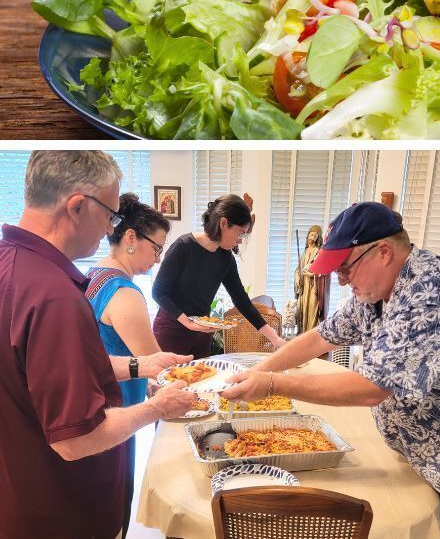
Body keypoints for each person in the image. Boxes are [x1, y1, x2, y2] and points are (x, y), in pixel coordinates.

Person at [221, 202, 440, 539]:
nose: (341, 279)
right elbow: (320, 337)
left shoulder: (432, 286)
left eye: (346, 267)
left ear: (383, 252)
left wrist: (274, 384)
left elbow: (372, 388)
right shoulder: (374, 292)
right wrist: (258, 372)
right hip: (414, 457)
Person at [0, 151, 196, 538]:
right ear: (76, 207)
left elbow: (42, 372)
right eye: (109, 214)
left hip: (20, 498)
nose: (109, 226)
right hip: (65, 510)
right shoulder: (54, 297)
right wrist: (156, 407)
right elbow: (76, 438)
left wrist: (140, 366)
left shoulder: (12, 265)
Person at [86, 192, 171, 538]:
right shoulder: (125, 293)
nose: (158, 258)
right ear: (131, 238)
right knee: (113, 510)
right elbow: (157, 363)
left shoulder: (93, 275)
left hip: (99, 404)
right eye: (157, 248)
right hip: (117, 410)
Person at [152, 193, 286, 356]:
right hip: (172, 330)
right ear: (224, 223)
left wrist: (275, 339)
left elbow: (242, 301)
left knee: (202, 380)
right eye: (239, 233)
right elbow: (158, 291)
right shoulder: (184, 247)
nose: (240, 240)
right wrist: (188, 323)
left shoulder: (225, 258)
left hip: (202, 332)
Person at [294, 223, 325, 333]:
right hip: (303, 287)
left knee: (312, 310)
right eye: (311, 235)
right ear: (308, 236)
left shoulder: (319, 252)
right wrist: (297, 277)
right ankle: (302, 334)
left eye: (315, 236)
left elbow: (322, 270)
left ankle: (310, 335)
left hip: (313, 287)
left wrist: (312, 275)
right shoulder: (304, 252)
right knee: (302, 311)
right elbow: (298, 268)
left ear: (318, 238)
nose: (312, 238)